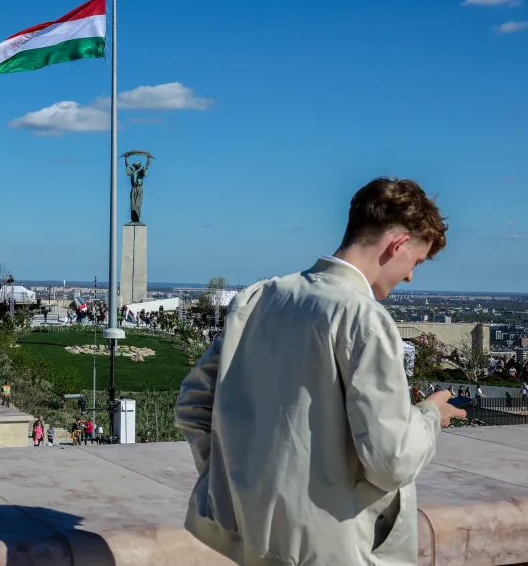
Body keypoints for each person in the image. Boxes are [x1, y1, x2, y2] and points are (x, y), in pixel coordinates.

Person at [175, 177, 465, 566]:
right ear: (396, 244)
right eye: (415, 261)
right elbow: (390, 460)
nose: (410, 276)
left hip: (255, 540)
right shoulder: (362, 317)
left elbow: (193, 406)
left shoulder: (260, 297)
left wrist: (239, 488)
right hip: (334, 549)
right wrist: (429, 416)